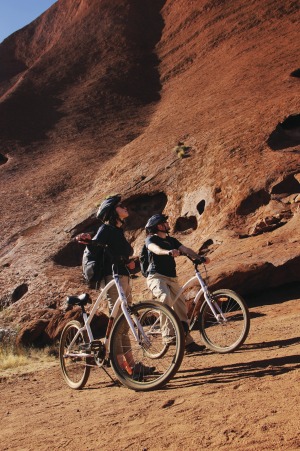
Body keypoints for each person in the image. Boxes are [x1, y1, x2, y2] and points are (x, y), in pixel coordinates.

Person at [78, 195, 154, 375]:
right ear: (113, 211)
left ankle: (132, 367)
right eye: (120, 205)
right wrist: (87, 238)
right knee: (118, 323)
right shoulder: (105, 229)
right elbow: (95, 244)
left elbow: (114, 252)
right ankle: (122, 368)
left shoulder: (118, 231)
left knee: (124, 324)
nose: (124, 206)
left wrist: (128, 264)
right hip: (112, 278)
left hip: (123, 276)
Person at [144, 213, 208, 354]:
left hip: (172, 278)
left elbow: (185, 250)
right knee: (165, 297)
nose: (168, 224)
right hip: (156, 277)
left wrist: (199, 257)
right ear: (158, 226)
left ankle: (188, 343)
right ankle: (167, 335)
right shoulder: (151, 239)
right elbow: (155, 249)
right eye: (164, 222)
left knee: (181, 308)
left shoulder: (171, 240)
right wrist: (167, 252)